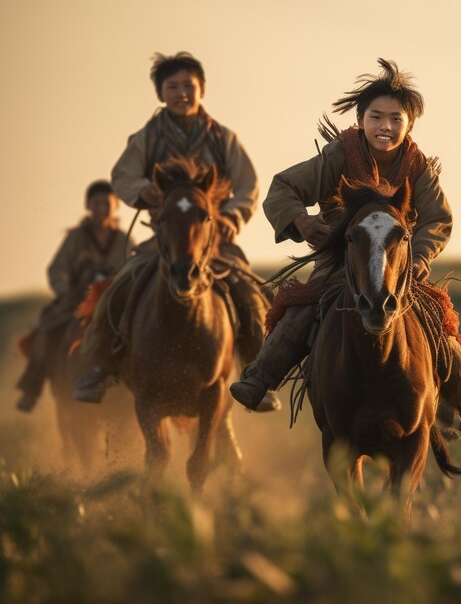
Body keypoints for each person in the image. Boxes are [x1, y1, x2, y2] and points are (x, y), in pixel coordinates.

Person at [230, 58, 461, 432]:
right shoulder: (339, 154)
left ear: (409, 125)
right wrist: (302, 220)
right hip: (344, 259)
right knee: (303, 306)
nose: (386, 127)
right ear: (361, 119)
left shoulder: (418, 166)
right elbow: (284, 188)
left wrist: (421, 255)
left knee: (432, 309)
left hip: (396, 264)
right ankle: (260, 377)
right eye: (377, 117)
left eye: (396, 119)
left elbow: (438, 219)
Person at [73, 52, 279, 411]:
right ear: (160, 93)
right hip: (164, 238)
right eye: (173, 87)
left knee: (249, 289)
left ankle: (257, 374)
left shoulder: (223, 139)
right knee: (122, 282)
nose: (182, 93)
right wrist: (145, 191)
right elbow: (122, 176)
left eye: (189, 86)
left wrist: (231, 216)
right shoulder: (146, 138)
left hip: (216, 238)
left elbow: (248, 184)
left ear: (202, 90)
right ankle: (101, 365)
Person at [16, 181, 130, 412]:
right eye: (96, 203)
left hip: (111, 304)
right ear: (88, 206)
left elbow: (131, 271)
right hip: (77, 301)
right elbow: (56, 269)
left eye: (105, 204)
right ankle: (32, 385)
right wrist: (66, 293)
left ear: (115, 206)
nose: (101, 209)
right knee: (46, 328)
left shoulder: (123, 240)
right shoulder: (76, 238)